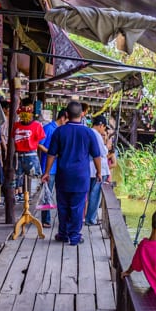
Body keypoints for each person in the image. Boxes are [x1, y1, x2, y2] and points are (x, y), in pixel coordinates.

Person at [42, 101, 102, 245]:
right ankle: (74, 236)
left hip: (63, 175)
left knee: (62, 206)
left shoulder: (59, 131)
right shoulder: (88, 132)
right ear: (82, 114)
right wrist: (99, 172)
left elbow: (51, 154)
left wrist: (47, 172)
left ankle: (63, 233)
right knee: (77, 206)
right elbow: (96, 156)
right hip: (81, 176)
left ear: (67, 114)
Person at [38, 107, 65, 228]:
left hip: (60, 166)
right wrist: (50, 152)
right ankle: (46, 219)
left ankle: (61, 218)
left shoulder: (63, 130)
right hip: (48, 166)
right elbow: (39, 144)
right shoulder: (49, 128)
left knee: (60, 194)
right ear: (63, 118)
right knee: (47, 193)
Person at [84, 114, 112, 227]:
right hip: (98, 168)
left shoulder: (88, 132)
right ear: (101, 125)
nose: (104, 130)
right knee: (95, 194)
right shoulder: (96, 135)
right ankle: (91, 219)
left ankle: (90, 217)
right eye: (104, 127)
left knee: (91, 193)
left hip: (90, 167)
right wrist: (108, 146)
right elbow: (102, 152)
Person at [12, 106, 44, 195]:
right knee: (27, 179)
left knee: (22, 179)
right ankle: (21, 195)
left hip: (24, 155)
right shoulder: (17, 125)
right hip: (26, 155)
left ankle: (22, 195)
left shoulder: (36, 125)